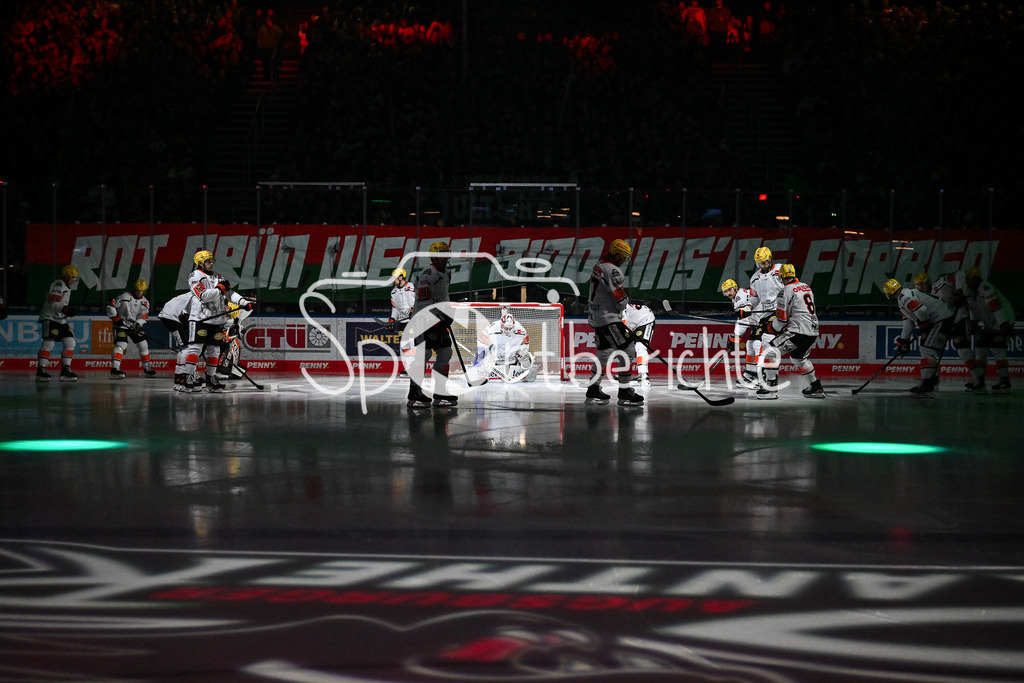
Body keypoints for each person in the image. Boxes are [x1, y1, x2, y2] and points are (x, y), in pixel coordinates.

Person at [179, 250, 253, 393]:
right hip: (200, 318)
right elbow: (204, 296)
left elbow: (230, 293)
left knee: (214, 350)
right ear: (200, 263)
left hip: (217, 320)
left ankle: (211, 378)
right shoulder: (195, 276)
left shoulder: (218, 277)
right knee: (196, 348)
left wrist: (244, 301)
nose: (211, 263)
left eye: (212, 260)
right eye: (208, 261)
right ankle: (188, 377)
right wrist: (220, 289)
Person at [586, 239, 643, 407]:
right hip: (608, 318)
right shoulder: (613, 271)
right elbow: (620, 301)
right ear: (617, 255)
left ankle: (593, 389)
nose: (624, 261)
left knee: (604, 353)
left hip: (596, 316)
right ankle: (625, 393)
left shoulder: (599, 265)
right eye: (624, 257)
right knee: (628, 350)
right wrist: (625, 303)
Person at [759, 264, 824, 399]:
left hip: (798, 332)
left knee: (769, 350)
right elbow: (800, 311)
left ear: (782, 277)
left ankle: (770, 389)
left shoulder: (785, 291)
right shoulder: (806, 286)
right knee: (798, 358)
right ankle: (816, 387)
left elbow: (781, 321)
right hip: (812, 331)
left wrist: (767, 327)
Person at [407, 242, 458, 409]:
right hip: (423, 320)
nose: (444, 258)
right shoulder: (427, 274)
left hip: (439, 319)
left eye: (446, 255)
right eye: (440, 255)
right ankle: (414, 394)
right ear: (433, 256)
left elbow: (443, 297)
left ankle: (440, 391)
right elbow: (424, 302)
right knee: (424, 354)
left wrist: (447, 313)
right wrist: (438, 318)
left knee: (445, 353)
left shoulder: (447, 273)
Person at [883, 278, 954, 396]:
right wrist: (903, 340)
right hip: (940, 318)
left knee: (927, 350)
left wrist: (924, 325)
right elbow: (908, 323)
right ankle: (930, 382)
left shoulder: (904, 298)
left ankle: (927, 383)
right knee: (927, 350)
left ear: (889, 293)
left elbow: (921, 310)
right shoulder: (904, 297)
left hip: (941, 319)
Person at [915, 271, 975, 386]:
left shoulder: (940, 282)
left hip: (958, 318)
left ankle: (978, 381)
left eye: (923, 283)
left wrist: (959, 289)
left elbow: (960, 273)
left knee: (963, 350)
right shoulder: (920, 296)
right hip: (944, 322)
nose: (922, 286)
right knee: (930, 350)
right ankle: (933, 378)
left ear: (928, 281)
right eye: (919, 284)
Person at [962, 267, 1015, 394]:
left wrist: (1004, 325)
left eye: (971, 279)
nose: (969, 282)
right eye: (967, 280)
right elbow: (972, 309)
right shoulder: (969, 291)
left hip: (1003, 319)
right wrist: (974, 322)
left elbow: (997, 308)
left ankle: (1004, 380)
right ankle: (979, 381)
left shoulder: (986, 288)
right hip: (990, 324)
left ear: (977, 279)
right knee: (980, 349)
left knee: (998, 349)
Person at [743, 246, 784, 388]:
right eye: (759, 263)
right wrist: (747, 307)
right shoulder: (755, 278)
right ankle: (760, 375)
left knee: (766, 340)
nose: (762, 266)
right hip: (765, 314)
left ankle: (768, 378)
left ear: (771, 258)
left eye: (765, 262)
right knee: (755, 342)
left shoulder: (780, 270)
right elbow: (755, 298)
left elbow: (791, 287)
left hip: (780, 311)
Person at [36, 265, 80, 382]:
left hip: (61, 320)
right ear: (66, 276)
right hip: (50, 317)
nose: (73, 280)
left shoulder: (66, 287)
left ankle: (66, 369)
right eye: (72, 277)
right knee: (48, 343)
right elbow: (53, 303)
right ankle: (41, 369)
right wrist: (66, 309)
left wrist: (67, 310)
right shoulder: (58, 284)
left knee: (70, 342)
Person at [106, 279, 156, 379]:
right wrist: (116, 318)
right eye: (137, 290)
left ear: (144, 291)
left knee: (143, 345)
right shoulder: (124, 297)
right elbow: (110, 306)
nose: (139, 292)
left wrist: (138, 324)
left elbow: (143, 316)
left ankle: (147, 368)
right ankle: (114, 369)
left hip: (133, 326)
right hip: (121, 325)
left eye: (141, 290)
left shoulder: (145, 302)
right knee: (121, 344)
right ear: (134, 289)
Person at [474, 308, 533, 382]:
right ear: (502, 325)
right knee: (482, 353)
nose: (508, 330)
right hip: (495, 359)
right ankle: (482, 370)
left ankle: (525, 372)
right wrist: (480, 362)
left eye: (510, 328)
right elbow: (481, 344)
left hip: (512, 359)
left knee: (525, 355)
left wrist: (521, 353)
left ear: (514, 325)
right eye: (506, 327)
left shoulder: (521, 330)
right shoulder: (492, 329)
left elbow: (525, 345)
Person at [721, 278, 757, 373]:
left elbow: (744, 319)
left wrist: (735, 337)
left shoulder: (739, 297)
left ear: (736, 288)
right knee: (750, 345)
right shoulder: (739, 295)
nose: (728, 293)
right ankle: (752, 373)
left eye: (729, 290)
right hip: (758, 321)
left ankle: (759, 374)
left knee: (757, 345)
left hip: (763, 320)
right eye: (725, 292)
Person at [159, 291, 192, 385]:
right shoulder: (196, 297)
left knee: (184, 346)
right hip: (172, 317)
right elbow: (186, 315)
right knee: (186, 346)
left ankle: (179, 376)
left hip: (169, 315)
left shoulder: (191, 294)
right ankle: (182, 376)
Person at [389, 267, 416, 377]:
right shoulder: (393, 292)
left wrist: (413, 310)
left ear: (401, 277)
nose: (393, 280)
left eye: (395, 278)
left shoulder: (411, 287)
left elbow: (418, 300)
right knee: (404, 345)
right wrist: (392, 319)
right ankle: (409, 368)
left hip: (413, 320)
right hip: (402, 322)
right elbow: (395, 308)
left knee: (413, 343)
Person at [622, 302, 656, 385]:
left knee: (640, 347)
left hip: (645, 319)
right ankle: (624, 374)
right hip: (633, 323)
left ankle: (643, 374)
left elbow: (624, 326)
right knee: (627, 349)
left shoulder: (619, 310)